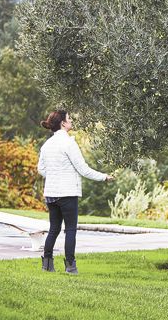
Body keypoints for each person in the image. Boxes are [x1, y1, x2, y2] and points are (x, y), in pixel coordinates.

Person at [37, 110, 114, 274]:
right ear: (63, 124)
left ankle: (47, 264)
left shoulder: (47, 145)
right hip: (67, 193)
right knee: (70, 229)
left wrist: (54, 175)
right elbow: (83, 169)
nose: (71, 121)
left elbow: (41, 169)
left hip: (51, 193)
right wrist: (104, 177)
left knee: (54, 229)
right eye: (69, 119)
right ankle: (70, 266)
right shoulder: (69, 143)